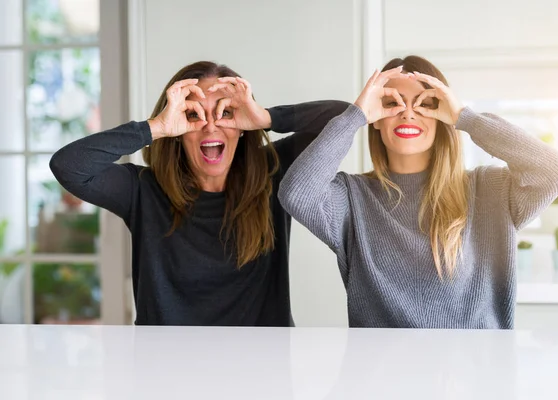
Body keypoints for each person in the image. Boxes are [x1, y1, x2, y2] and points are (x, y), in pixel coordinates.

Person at [278, 56, 558, 329]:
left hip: (477, 379)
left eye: (425, 104)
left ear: (442, 116)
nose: (408, 113)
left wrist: (464, 117)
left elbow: (555, 172)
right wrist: (354, 116)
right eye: (392, 104)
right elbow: (296, 193)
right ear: (376, 119)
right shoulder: (352, 199)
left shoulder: (489, 190)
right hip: (379, 380)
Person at [50, 61, 349, 326]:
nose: (210, 126)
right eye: (193, 114)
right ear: (177, 129)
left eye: (226, 112)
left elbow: (345, 118)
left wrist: (266, 118)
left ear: (243, 124)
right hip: (166, 374)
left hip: (261, 371)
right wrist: (155, 127)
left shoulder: (274, 172)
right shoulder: (142, 190)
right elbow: (68, 165)